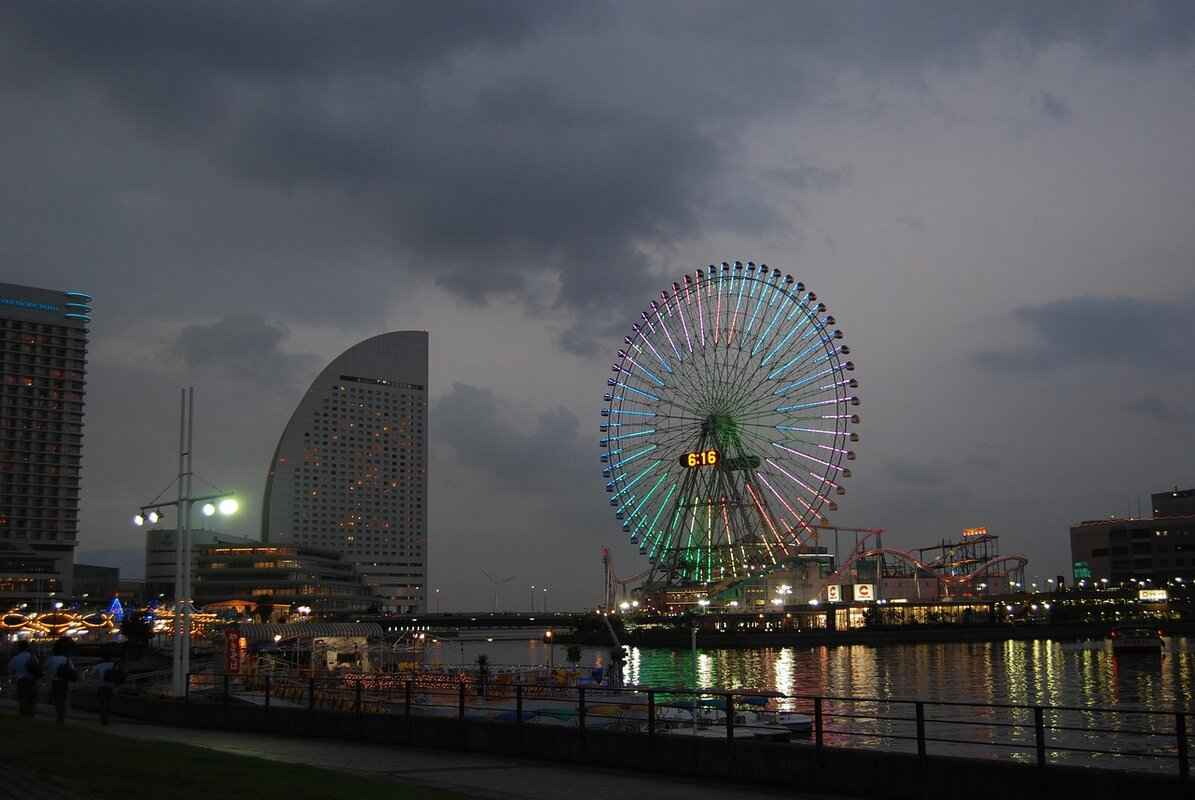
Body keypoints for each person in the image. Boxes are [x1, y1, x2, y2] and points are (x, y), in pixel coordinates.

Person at [44, 637, 78, 725]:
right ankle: (61, 717)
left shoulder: (50, 659)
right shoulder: (66, 659)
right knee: (63, 699)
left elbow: (46, 669)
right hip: (63, 681)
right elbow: (72, 670)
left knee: (57, 700)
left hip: (54, 681)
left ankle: (59, 716)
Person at [6, 639, 41, 716]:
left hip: (21, 680)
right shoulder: (32, 657)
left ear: (19, 648)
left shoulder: (16, 658)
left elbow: (10, 669)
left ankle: (23, 714)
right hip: (31, 680)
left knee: (22, 698)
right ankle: (30, 713)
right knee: (31, 698)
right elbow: (37, 668)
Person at [92, 656, 124, 725]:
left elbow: (93, 675)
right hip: (111, 686)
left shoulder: (98, 665)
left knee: (102, 703)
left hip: (101, 686)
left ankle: (103, 718)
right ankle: (107, 717)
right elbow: (119, 674)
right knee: (108, 702)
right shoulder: (113, 664)